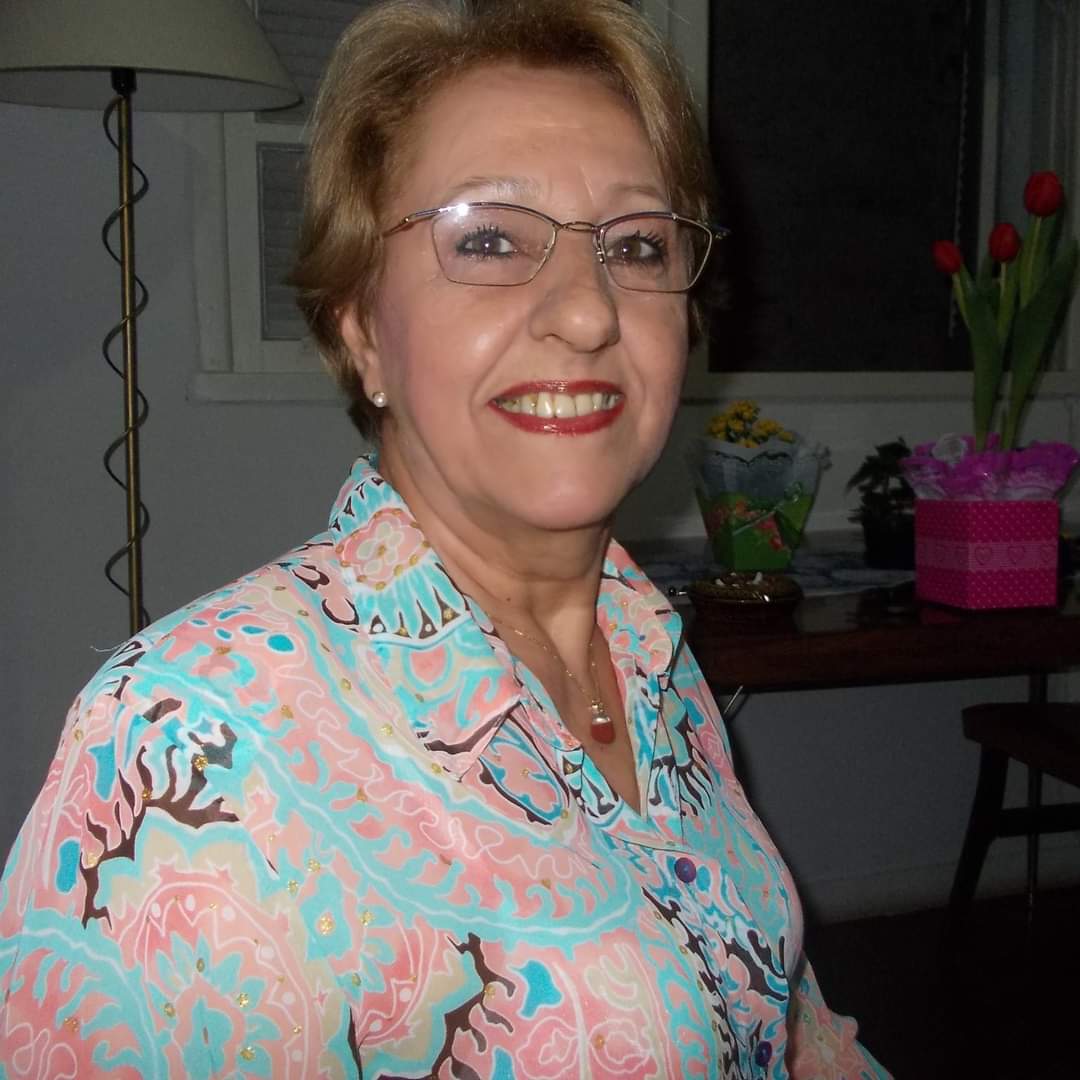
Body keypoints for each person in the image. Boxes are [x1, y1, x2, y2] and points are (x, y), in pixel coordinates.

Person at [0, 1, 888, 1076]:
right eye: (490, 239)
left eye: (635, 245)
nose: (588, 313)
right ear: (360, 328)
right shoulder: (192, 743)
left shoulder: (651, 660)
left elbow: (777, 1020)